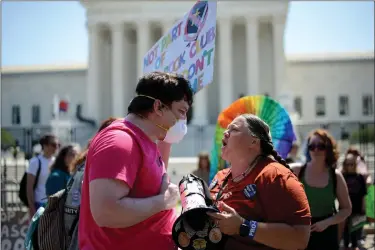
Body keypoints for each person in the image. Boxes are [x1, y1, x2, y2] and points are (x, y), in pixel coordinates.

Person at [79, 72, 194, 250]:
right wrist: (164, 201)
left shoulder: (145, 140)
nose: (181, 121)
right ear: (158, 107)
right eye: (180, 112)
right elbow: (106, 212)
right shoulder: (120, 141)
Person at [207, 114, 311, 250]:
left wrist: (243, 226)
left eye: (234, 129)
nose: (226, 133)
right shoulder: (220, 177)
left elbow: (299, 238)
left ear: (253, 142)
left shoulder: (276, 176)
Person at [292, 129, 352, 250]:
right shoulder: (297, 171)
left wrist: (327, 222)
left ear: (328, 148)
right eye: (312, 146)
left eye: (320, 146)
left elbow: (347, 209)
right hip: (302, 231)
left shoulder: (336, 176)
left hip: (327, 233)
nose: (316, 150)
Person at [26, 133, 59, 217]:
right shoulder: (35, 162)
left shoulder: (57, 162)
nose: (57, 147)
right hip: (40, 204)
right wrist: (32, 208)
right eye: (54, 144)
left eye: (58, 145)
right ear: (45, 145)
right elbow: (29, 187)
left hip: (54, 204)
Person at [342, 154, 367, 250]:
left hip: (356, 207)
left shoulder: (359, 177)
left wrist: (363, 207)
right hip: (344, 207)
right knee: (345, 229)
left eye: (352, 164)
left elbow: (363, 194)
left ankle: (354, 245)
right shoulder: (342, 176)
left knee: (355, 228)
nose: (350, 166)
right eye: (347, 164)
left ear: (355, 164)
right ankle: (345, 245)